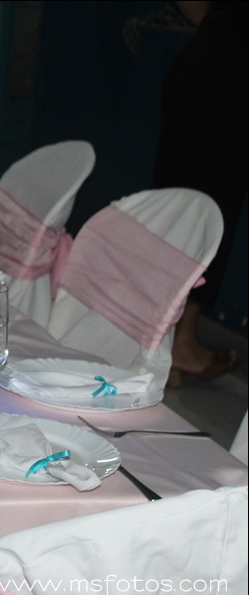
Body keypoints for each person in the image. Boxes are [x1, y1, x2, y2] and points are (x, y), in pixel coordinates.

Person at [152, 1, 247, 387]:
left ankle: (161, 338)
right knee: (211, 209)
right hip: (230, 77)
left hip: (202, 66)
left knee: (182, 205)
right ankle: (179, 343)